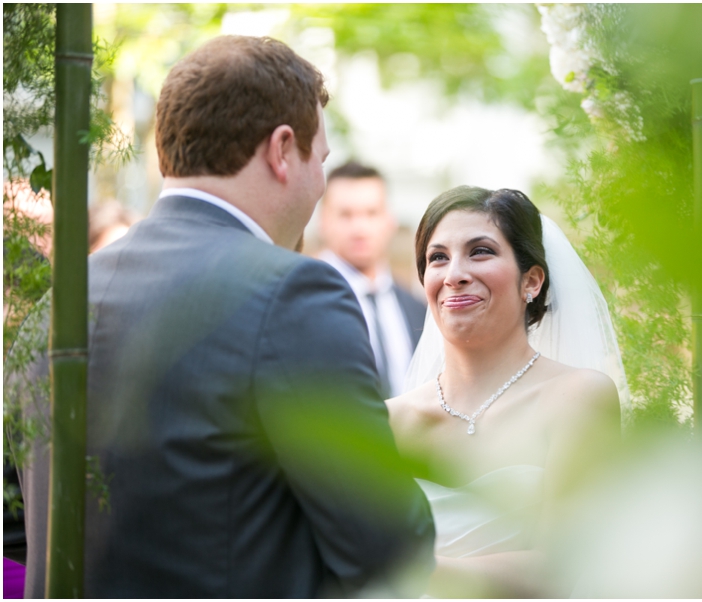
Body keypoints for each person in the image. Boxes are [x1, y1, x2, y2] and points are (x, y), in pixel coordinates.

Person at [14, 36, 433, 598]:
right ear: (283, 149)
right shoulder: (291, 292)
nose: (319, 186)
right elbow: (387, 547)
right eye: (322, 160)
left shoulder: (55, 303)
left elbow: (18, 530)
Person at [387, 186, 628, 597]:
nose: (454, 274)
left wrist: (412, 566)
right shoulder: (392, 418)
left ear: (531, 281)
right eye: (437, 257)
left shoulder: (578, 398)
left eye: (480, 251)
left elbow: (562, 568)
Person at [317, 162, 426, 398]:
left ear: (390, 220)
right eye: (346, 215)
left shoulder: (418, 308)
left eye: (371, 213)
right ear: (323, 221)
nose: (360, 228)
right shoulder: (302, 301)